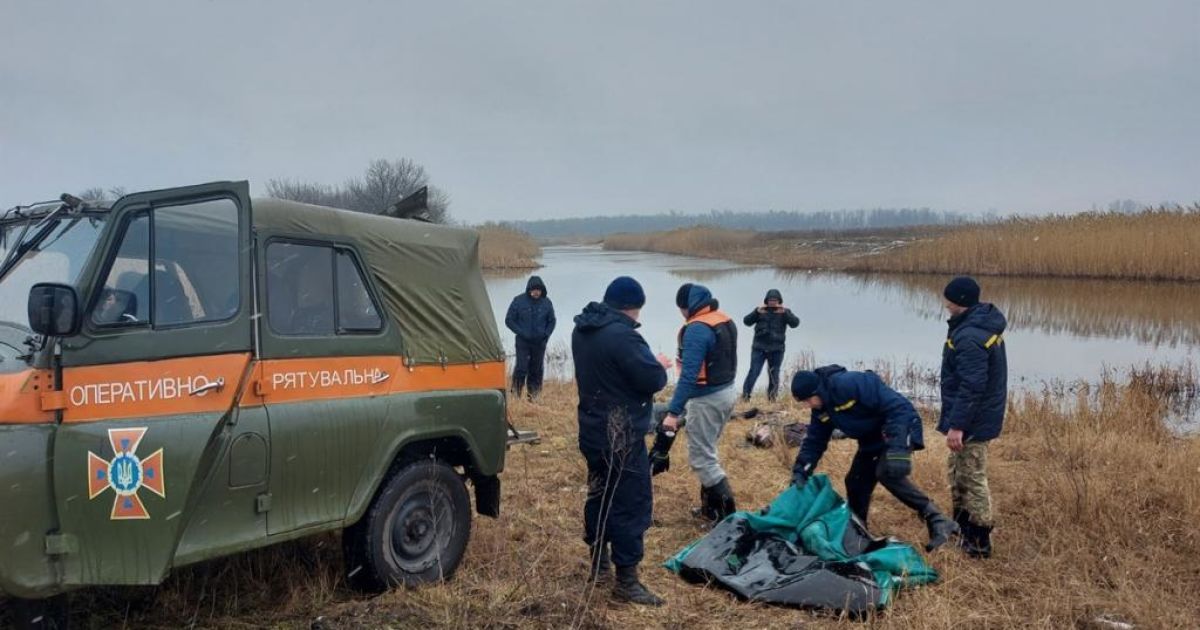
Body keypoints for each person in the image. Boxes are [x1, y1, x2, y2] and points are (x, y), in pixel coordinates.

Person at [572, 276, 671, 606]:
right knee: (631, 504)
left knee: (599, 496)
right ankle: (626, 582)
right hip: (622, 436)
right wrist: (658, 364)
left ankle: (599, 567)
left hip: (592, 431)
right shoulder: (624, 337)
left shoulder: (582, 330)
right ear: (632, 307)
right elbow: (653, 379)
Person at [790, 365, 959, 551]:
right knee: (855, 481)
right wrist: (801, 472)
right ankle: (858, 531)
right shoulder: (821, 410)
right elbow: (814, 441)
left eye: (808, 400)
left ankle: (938, 520)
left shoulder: (850, 383)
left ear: (817, 390)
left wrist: (898, 448)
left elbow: (898, 408)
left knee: (886, 472)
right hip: (872, 439)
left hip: (900, 426)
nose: (808, 405)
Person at [939, 276, 1008, 558]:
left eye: (949, 300)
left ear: (961, 302)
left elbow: (972, 385)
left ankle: (979, 542)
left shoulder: (969, 336)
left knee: (972, 477)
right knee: (957, 473)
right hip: (974, 418)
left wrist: (957, 426)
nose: (945, 305)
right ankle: (961, 528)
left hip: (973, 422)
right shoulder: (975, 326)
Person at [662, 283, 738, 522]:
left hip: (707, 400)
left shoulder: (697, 329)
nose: (682, 314)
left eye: (681, 309)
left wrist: (673, 412)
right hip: (726, 392)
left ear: (687, 306)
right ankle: (710, 511)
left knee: (702, 459)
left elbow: (689, 374)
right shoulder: (723, 319)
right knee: (707, 451)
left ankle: (728, 519)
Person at [741, 289, 800, 401]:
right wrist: (756, 312)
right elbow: (746, 322)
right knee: (754, 371)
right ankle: (745, 397)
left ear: (779, 301)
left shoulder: (784, 312)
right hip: (759, 349)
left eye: (775, 300)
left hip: (777, 349)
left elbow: (795, 323)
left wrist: (785, 313)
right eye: (770, 300)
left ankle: (772, 399)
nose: (772, 302)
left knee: (774, 374)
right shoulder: (760, 311)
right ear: (766, 301)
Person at [504, 275, 556, 399]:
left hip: (539, 342)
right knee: (521, 368)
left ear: (542, 290)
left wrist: (546, 334)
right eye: (534, 290)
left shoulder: (547, 303)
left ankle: (534, 396)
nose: (536, 292)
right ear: (529, 289)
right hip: (523, 342)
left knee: (536, 370)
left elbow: (552, 321)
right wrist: (521, 332)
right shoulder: (518, 301)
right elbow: (509, 320)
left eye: (538, 290)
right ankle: (515, 394)